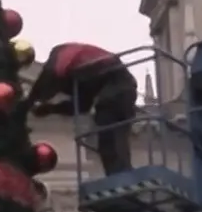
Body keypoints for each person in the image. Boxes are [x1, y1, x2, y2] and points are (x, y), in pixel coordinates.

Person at [23, 42, 138, 175]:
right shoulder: (83, 77)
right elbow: (82, 106)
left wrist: (30, 101)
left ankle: (121, 175)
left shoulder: (60, 53)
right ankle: (118, 174)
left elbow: (50, 73)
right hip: (120, 87)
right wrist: (51, 108)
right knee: (110, 136)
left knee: (109, 129)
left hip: (118, 84)